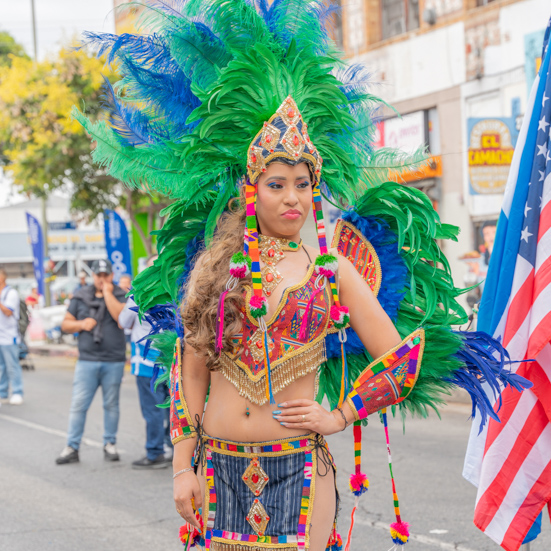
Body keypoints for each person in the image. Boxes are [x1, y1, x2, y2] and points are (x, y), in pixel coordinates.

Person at [81, 3, 529, 548]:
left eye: (301, 183)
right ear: (252, 190)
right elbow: (189, 367)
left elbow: (402, 361)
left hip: (298, 469)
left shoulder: (332, 270)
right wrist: (181, 466)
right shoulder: (215, 269)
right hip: (216, 466)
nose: (292, 196)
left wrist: (339, 415)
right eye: (276, 183)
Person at [56, 259, 127, 465]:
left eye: (106, 275)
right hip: (87, 360)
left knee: (111, 404)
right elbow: (65, 325)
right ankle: (72, 447)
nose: (102, 279)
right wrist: (81, 324)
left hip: (113, 360)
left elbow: (121, 318)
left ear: (111, 276)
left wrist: (107, 293)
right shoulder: (81, 296)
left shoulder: (120, 295)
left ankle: (109, 444)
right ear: (93, 276)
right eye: (99, 276)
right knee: (78, 405)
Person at [118, 257, 172, 469]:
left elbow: (123, 322)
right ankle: (172, 448)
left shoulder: (138, 295)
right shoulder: (174, 292)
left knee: (152, 409)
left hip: (146, 363)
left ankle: (155, 451)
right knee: (171, 408)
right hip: (171, 362)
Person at [0, 267, 24, 405]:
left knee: (12, 366)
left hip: (10, 337)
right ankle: (2, 392)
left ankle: (17, 392)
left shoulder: (11, 293)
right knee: (1, 367)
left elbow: (8, 312)